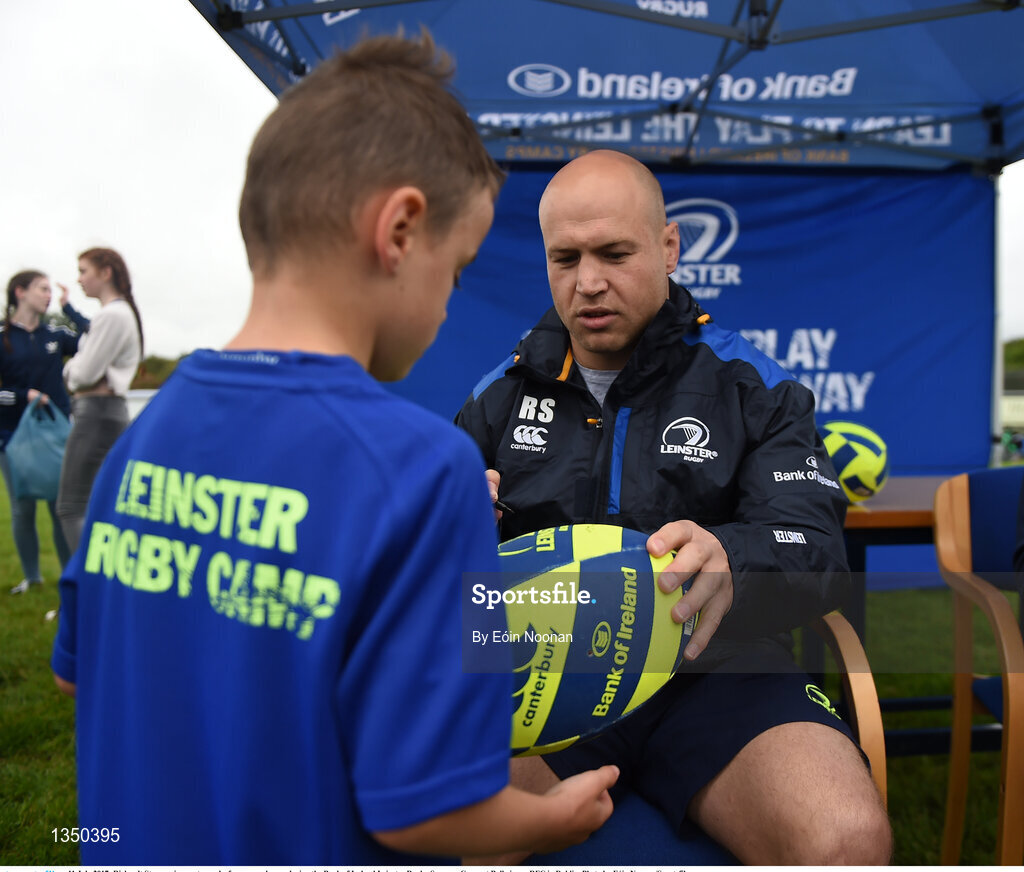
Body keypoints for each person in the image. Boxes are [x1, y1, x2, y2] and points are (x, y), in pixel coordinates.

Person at [50, 32, 617, 865]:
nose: (448, 305)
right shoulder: (428, 470)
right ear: (399, 231)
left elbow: (76, 672)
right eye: (455, 271)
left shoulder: (147, 438)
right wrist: (554, 819)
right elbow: (422, 812)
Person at [456, 149, 893, 864]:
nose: (588, 282)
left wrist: (733, 557)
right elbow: (432, 589)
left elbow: (816, 550)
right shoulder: (496, 397)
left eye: (615, 252)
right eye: (565, 258)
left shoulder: (755, 385)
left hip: (719, 668)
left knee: (844, 841)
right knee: (451, 824)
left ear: (668, 248)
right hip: (550, 675)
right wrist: (454, 536)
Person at [1, 271, 89, 594]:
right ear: (20, 293)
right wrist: (22, 394)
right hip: (14, 438)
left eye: (50, 291)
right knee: (22, 508)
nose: (48, 295)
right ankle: (32, 578)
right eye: (42, 289)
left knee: (59, 509)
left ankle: (70, 578)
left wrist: (70, 309)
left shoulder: (57, 334)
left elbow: (97, 337)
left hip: (55, 437)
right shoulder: (2, 337)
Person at [56, 246, 143, 553]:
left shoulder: (113, 315)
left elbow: (82, 374)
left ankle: (86, 594)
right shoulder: (115, 315)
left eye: (83, 271)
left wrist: (69, 368)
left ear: (105, 273)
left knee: (71, 507)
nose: (79, 279)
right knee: (98, 506)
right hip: (102, 412)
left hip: (97, 413)